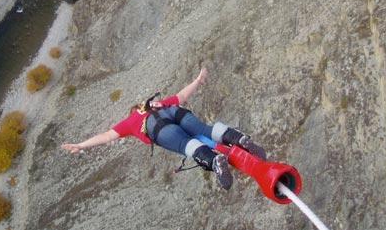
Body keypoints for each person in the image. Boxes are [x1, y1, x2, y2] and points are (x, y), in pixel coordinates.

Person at [61, 68, 266, 190]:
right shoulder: (158, 104)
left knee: (188, 145)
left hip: (159, 129)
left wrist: (81, 145)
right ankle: (239, 139)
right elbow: (181, 97)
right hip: (175, 112)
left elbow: (106, 136)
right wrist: (197, 80)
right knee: (207, 129)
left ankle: (215, 161)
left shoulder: (132, 121)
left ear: (134, 111)